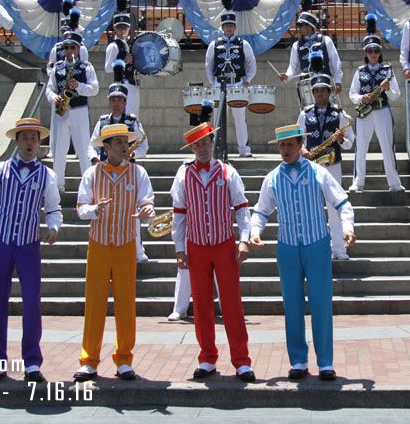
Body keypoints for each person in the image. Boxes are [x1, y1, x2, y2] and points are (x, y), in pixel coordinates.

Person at [250, 124, 356, 381]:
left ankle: (326, 362)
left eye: (290, 144)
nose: (285, 149)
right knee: (293, 305)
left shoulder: (318, 172)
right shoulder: (272, 178)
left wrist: (347, 226)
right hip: (287, 247)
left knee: (321, 303)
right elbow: (262, 210)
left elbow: (341, 201)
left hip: (317, 244)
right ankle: (298, 361)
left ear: (300, 145)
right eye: (282, 145)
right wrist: (255, 231)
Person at [170, 103, 256, 382]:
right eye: (197, 144)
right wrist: (180, 249)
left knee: (232, 302)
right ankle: (207, 357)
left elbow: (242, 208)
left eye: (206, 142)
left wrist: (244, 240)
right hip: (196, 246)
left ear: (212, 143)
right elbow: (179, 215)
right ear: (192, 148)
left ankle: (241, 360)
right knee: (202, 304)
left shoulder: (228, 172)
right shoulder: (183, 175)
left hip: (223, 243)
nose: (203, 148)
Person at [0, 118, 61, 384]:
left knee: (32, 303)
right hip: (0, 243)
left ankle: (32, 363)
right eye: (24, 138)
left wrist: (54, 227)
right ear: (16, 141)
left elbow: (54, 208)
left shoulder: (47, 174)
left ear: (39, 142)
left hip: (28, 244)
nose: (29, 143)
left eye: (34, 138)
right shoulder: (0, 170)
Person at [74, 123, 154, 382]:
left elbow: (147, 204)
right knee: (94, 303)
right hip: (98, 244)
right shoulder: (92, 174)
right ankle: (89, 361)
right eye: (118, 142)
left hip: (125, 244)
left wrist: (146, 214)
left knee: (125, 303)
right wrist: (95, 210)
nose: (123, 146)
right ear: (106, 147)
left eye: (125, 141)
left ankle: (124, 359)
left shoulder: (138, 173)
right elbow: (80, 208)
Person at [297, 57, 355, 260]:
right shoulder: (304, 114)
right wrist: (302, 149)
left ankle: (338, 249)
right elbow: (298, 138)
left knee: (334, 206)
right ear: (313, 93)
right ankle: (313, 248)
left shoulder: (339, 113)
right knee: (310, 208)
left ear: (329, 93)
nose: (320, 93)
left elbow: (350, 143)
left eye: (324, 90)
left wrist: (340, 140)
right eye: (317, 91)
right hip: (311, 165)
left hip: (333, 164)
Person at [89, 82, 149, 263]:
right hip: (105, 170)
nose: (116, 103)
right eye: (113, 100)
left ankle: (138, 250)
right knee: (103, 208)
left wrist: (133, 153)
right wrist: (94, 160)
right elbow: (91, 145)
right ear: (109, 102)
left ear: (125, 102)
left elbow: (144, 146)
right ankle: (104, 245)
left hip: (127, 169)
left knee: (132, 210)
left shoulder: (133, 121)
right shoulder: (102, 121)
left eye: (119, 100)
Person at [350, 19, 404, 193]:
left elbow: (396, 96)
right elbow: (352, 94)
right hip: (365, 113)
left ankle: (394, 183)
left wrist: (387, 89)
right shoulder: (359, 71)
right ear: (365, 53)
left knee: (387, 146)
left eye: (376, 51)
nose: (373, 54)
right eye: (370, 51)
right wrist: (361, 98)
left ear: (380, 53)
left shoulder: (388, 70)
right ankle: (358, 182)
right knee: (361, 148)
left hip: (382, 111)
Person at [46, 30, 98, 194]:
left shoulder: (86, 67)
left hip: (80, 110)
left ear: (78, 49)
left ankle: (88, 185)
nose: (69, 51)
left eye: (72, 47)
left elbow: (94, 89)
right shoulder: (57, 68)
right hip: (62, 111)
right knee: (59, 149)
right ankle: (58, 185)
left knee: (83, 149)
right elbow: (49, 88)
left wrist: (79, 87)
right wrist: (54, 97)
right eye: (66, 47)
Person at [205, 0, 256, 157]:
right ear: (222, 27)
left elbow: (252, 63)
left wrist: (247, 80)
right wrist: (213, 82)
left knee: (240, 117)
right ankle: (216, 148)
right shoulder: (214, 44)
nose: (228, 28)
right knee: (218, 118)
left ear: (235, 27)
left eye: (231, 25)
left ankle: (244, 149)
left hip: (237, 84)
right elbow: (209, 64)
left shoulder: (243, 44)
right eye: (225, 25)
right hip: (220, 84)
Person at [279, 0, 343, 101]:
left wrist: (338, 81)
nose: (299, 28)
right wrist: (287, 76)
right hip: (306, 85)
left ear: (310, 26)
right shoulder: (296, 45)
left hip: (324, 83)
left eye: (301, 25)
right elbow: (293, 67)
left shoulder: (326, 40)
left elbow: (336, 62)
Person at [104, 7, 142, 120]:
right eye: (119, 28)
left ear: (129, 28)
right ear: (115, 29)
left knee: (134, 115)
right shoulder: (113, 46)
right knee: (127, 115)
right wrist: (124, 62)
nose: (122, 31)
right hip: (123, 83)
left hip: (132, 82)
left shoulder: (127, 44)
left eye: (125, 28)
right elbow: (108, 67)